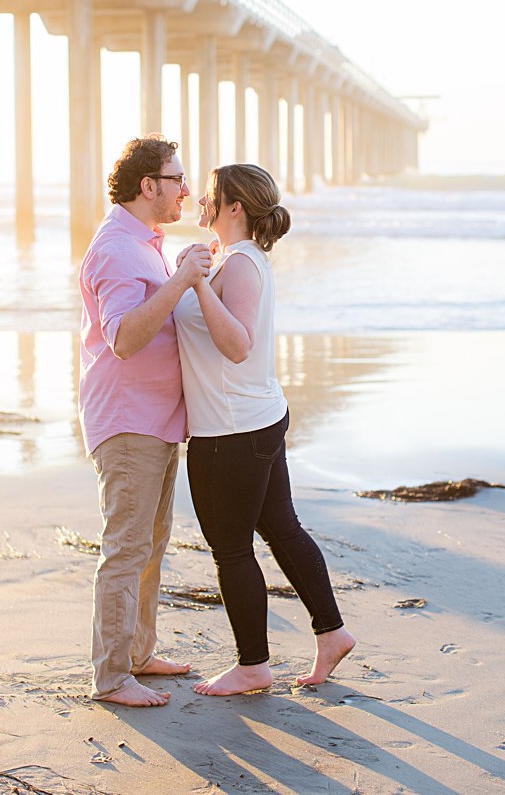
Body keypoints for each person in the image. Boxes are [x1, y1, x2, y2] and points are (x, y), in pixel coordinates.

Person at [174, 162, 355, 696]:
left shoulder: (242, 266)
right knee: (280, 528)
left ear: (234, 207)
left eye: (211, 195)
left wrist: (196, 284)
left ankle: (253, 665)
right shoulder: (233, 260)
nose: (201, 201)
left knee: (232, 550)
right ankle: (333, 632)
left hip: (234, 431)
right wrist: (196, 276)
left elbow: (237, 344)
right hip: (253, 420)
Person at [78, 135, 211, 707]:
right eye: (177, 178)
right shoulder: (115, 247)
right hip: (128, 421)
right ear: (147, 186)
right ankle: (111, 677)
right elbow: (125, 338)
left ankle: (137, 653)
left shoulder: (145, 243)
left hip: (157, 420)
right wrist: (182, 280)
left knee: (151, 545)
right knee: (127, 548)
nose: (186, 187)